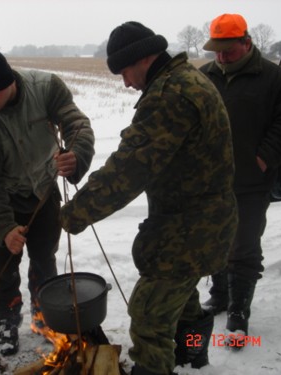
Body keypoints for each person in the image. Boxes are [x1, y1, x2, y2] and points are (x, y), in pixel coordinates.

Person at [60, 21, 238, 375]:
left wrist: (72, 214)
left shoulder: (170, 95)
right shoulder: (185, 79)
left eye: (124, 71)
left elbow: (128, 170)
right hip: (199, 224)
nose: (125, 82)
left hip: (190, 230)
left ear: (143, 58)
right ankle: (193, 359)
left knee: (148, 317)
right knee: (184, 305)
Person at [0, 48, 95, 356]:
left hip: (44, 190)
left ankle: (43, 314)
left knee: (44, 257)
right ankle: (7, 321)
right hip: (6, 197)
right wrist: (4, 227)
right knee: (4, 265)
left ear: (10, 81)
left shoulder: (46, 88)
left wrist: (76, 156)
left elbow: (77, 125)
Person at [199, 14, 281, 347]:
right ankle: (218, 296)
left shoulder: (273, 79)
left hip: (250, 183)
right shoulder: (202, 77)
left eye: (228, 51)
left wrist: (262, 158)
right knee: (214, 243)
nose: (221, 58)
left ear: (246, 43)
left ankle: (238, 313)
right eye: (216, 51)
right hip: (209, 184)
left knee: (243, 248)